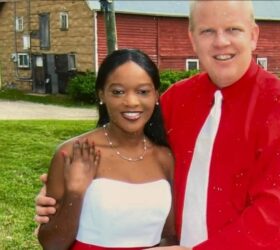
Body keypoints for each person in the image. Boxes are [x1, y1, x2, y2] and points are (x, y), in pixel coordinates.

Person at [35, 1, 280, 249]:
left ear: (254, 35)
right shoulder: (176, 100)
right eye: (208, 31)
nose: (221, 42)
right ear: (192, 39)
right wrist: (66, 198)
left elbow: (276, 212)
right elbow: (128, 157)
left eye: (233, 29)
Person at [37, 48, 177, 249]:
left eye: (143, 92)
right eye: (118, 92)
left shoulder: (165, 158)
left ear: (156, 96)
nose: (131, 102)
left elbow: (169, 237)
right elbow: (52, 244)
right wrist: (75, 193)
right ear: (102, 94)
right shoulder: (74, 153)